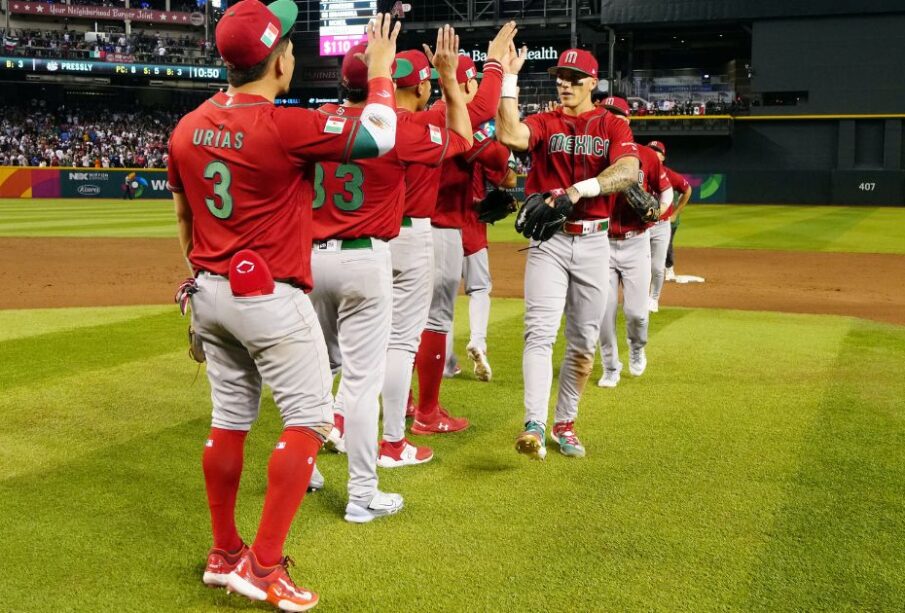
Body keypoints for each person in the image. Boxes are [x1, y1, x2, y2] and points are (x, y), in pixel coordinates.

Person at [167, 3, 399, 609]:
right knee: (311, 420)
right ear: (278, 59)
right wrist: (379, 74)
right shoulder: (282, 124)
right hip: (268, 294)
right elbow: (378, 135)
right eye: (290, 46)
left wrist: (201, 276)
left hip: (210, 291)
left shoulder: (188, 125)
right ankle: (264, 567)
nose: (295, 54)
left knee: (229, 419)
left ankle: (224, 554)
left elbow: (185, 219)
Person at [309, 28, 472, 501]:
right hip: (365, 257)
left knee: (316, 371)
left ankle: (308, 469)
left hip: (312, 258)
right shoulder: (395, 127)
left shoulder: (318, 117)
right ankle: (364, 491)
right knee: (362, 379)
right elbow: (461, 139)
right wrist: (448, 80)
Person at [496, 48, 640, 460]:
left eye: (575, 77)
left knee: (583, 341)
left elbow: (628, 170)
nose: (565, 83)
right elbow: (510, 135)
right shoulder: (545, 121)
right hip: (550, 242)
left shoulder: (611, 124)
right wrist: (508, 80)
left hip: (596, 243)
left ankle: (565, 423)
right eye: (561, 75)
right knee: (539, 333)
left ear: (593, 83)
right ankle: (534, 425)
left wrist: (581, 189)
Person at [412, 51, 514, 435]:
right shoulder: (457, 122)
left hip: (400, 230)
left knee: (404, 323)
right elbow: (498, 157)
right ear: (464, 84)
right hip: (443, 231)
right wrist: (499, 70)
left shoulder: (416, 117)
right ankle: (427, 411)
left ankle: (403, 403)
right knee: (436, 319)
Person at [595, 98, 672, 389]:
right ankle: (610, 366)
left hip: (636, 241)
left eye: (617, 115)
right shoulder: (593, 155)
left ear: (627, 122)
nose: (612, 119)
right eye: (606, 113)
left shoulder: (646, 156)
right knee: (603, 312)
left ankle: (637, 347)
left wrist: (658, 213)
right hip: (600, 242)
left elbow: (665, 194)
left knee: (637, 313)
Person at [445, 144, 518, 381]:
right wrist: (511, 156)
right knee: (479, 289)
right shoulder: (472, 140)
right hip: (471, 227)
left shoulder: (431, 133)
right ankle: (478, 341)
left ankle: (445, 362)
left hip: (439, 228)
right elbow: (508, 180)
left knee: (440, 299)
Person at [646, 140, 691, 309]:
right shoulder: (639, 171)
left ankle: (653, 299)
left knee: (657, 266)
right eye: (650, 149)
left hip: (661, 226)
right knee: (639, 265)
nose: (653, 152)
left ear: (663, 157)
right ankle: (641, 298)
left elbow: (687, 190)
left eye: (657, 150)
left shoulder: (669, 174)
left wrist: (676, 212)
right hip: (642, 226)